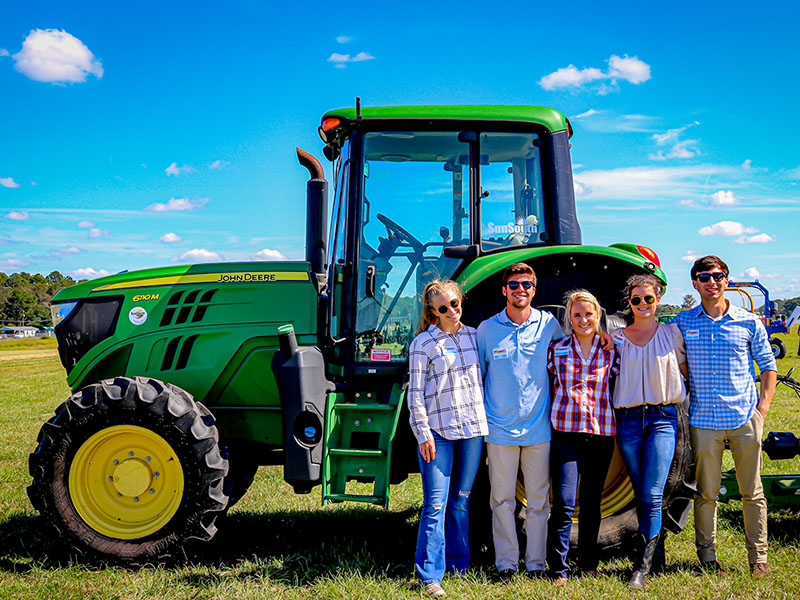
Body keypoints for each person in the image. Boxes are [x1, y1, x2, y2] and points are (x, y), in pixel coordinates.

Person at [675, 255, 777, 576]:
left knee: (753, 492)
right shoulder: (682, 321)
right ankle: (707, 556)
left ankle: (758, 557)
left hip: (744, 418)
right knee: (706, 494)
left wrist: (762, 408)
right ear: (695, 283)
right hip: (703, 421)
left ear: (727, 280)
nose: (711, 283)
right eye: (704, 278)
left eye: (718, 276)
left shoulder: (749, 322)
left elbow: (768, 365)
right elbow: (675, 359)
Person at [476, 263, 564, 580]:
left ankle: (536, 564)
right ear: (504, 290)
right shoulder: (487, 330)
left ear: (534, 289)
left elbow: (569, 356)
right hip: (499, 431)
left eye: (526, 284)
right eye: (514, 285)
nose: (520, 290)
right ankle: (506, 564)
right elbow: (479, 378)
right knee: (501, 500)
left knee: (539, 502)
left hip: (538, 429)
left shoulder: (549, 325)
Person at [407, 279, 489, 597]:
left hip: (472, 432)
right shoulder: (423, 344)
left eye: (455, 303)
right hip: (438, 435)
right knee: (434, 505)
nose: (451, 311)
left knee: (461, 502)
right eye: (443, 307)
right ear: (433, 311)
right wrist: (423, 434)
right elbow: (415, 395)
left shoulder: (475, 337)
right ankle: (430, 575)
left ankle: (458, 565)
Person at [612, 274, 688, 589]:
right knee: (641, 489)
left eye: (648, 298)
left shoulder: (672, 334)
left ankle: (640, 567)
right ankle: (657, 557)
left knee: (653, 493)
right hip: (628, 421)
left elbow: (685, 371)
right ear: (628, 302)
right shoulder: (615, 338)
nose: (643, 304)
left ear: (657, 299)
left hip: (662, 419)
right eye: (636, 299)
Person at [546, 289, 618, 584]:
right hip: (566, 434)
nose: (583, 319)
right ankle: (559, 568)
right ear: (569, 318)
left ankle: (588, 562)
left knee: (591, 502)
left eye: (588, 314)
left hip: (601, 434)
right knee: (563, 502)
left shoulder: (612, 349)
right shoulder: (557, 349)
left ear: (598, 315)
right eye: (577, 315)